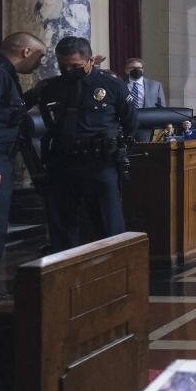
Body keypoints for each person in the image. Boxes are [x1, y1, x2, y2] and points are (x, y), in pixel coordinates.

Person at [38, 36, 137, 251]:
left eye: (74, 66)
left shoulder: (111, 85)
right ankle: (67, 278)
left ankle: (115, 275)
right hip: (63, 163)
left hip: (100, 163)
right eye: (62, 65)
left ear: (90, 60)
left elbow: (131, 123)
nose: (68, 70)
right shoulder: (51, 88)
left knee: (109, 225)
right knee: (62, 228)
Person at [0, 33, 46, 298]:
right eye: (40, 56)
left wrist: (34, 94)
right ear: (27, 52)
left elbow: (8, 112)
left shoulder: (3, 73)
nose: (40, 63)